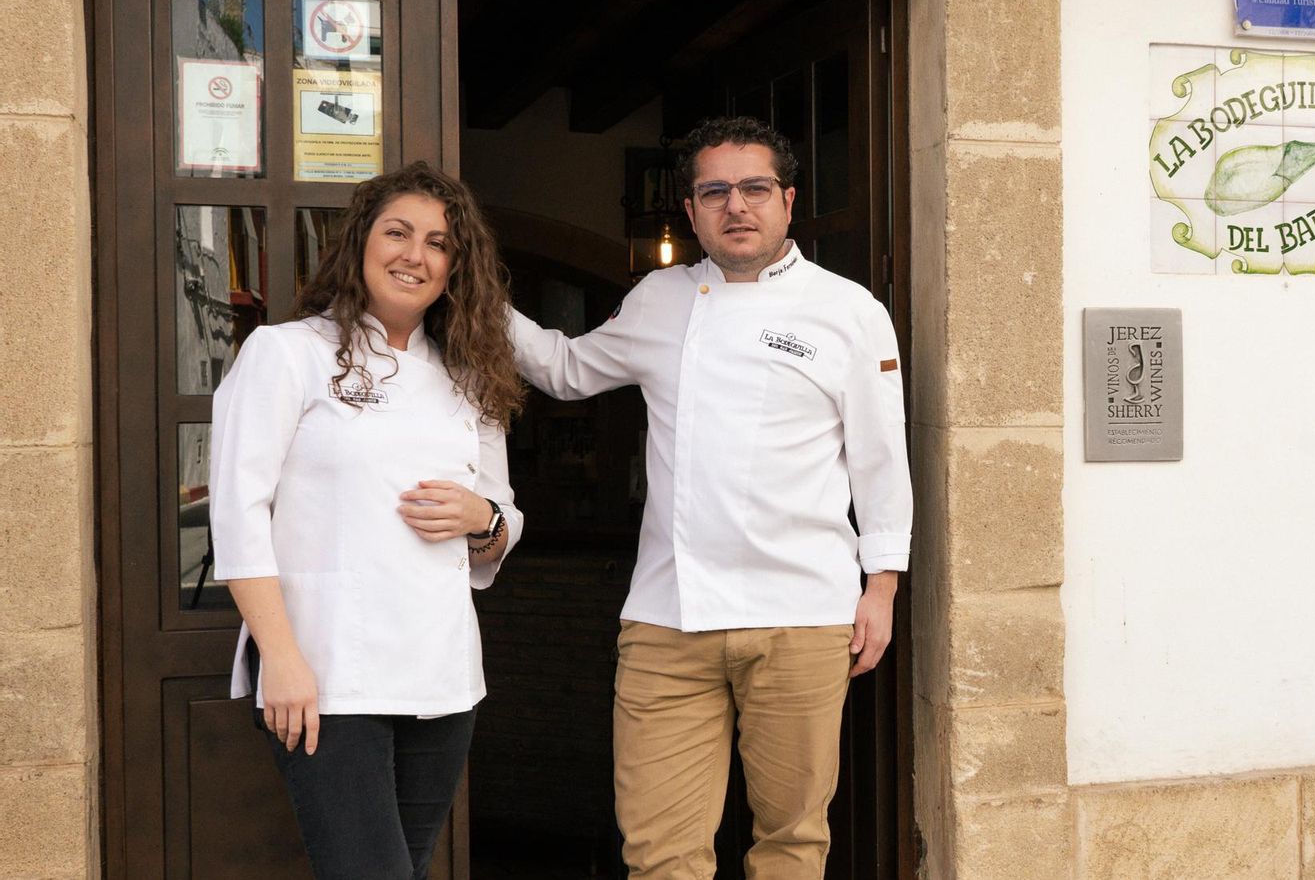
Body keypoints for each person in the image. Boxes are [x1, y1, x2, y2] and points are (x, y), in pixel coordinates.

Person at [509, 116, 912, 878]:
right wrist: (473, 297)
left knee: (792, 841)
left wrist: (882, 584)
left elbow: (881, 458)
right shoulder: (658, 298)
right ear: (690, 212)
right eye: (715, 191)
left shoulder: (849, 310)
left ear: (787, 202)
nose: (737, 206)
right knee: (659, 851)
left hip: (801, 613)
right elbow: (564, 371)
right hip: (668, 621)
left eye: (755, 188)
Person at [209, 161, 525, 879]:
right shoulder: (287, 354)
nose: (416, 255)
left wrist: (482, 518)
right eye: (398, 233)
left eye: (439, 243)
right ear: (359, 244)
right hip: (325, 672)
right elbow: (238, 512)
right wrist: (281, 658)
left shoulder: (470, 376)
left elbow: (502, 521)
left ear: (455, 267)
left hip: (441, 677)